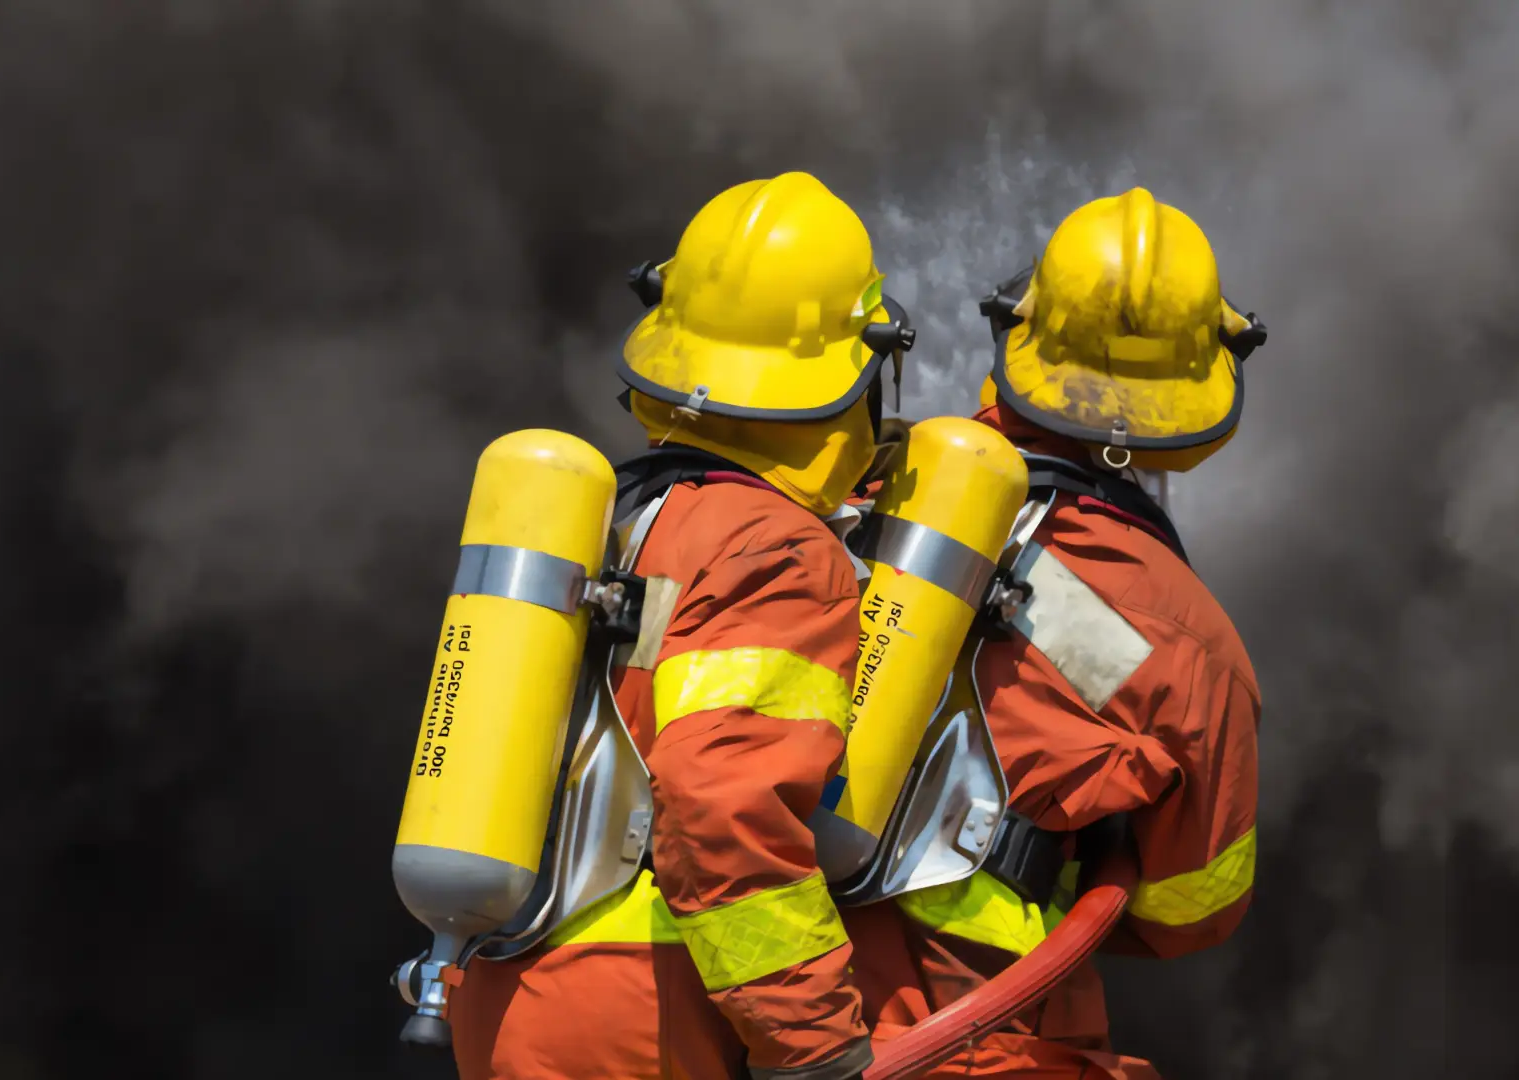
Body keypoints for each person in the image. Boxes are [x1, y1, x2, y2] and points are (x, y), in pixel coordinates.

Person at [450, 171, 913, 1080]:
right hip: (647, 1013)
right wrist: (814, 1046)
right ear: (856, 366)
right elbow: (723, 808)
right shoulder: (777, 550)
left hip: (509, 991)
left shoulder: (614, 517)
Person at [841, 187, 1268, 1079]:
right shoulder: (1182, 638)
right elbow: (1191, 907)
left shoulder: (871, 496)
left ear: (1020, 329)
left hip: (761, 995)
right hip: (968, 1028)